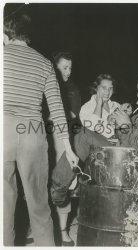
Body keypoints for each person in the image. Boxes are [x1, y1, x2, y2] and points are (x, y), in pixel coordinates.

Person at [3, 13, 78, 246]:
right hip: (32, 133)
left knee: (3, 204)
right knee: (38, 202)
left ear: (6, 33)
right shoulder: (44, 63)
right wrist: (69, 149)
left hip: (2, 131)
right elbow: (57, 109)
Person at [51, 51, 81, 246]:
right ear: (54, 67)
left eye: (70, 67)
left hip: (63, 138)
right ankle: (43, 229)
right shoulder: (47, 85)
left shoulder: (71, 89)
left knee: (63, 179)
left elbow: (74, 115)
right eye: (65, 67)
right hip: (42, 139)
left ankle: (62, 231)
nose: (68, 71)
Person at [79, 74, 120, 141]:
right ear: (96, 88)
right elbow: (93, 129)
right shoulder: (86, 108)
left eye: (110, 88)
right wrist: (99, 105)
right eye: (104, 88)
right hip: (99, 147)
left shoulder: (116, 105)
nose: (107, 92)